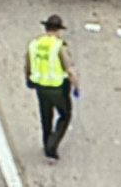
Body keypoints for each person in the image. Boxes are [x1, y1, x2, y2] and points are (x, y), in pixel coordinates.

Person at [25, 14, 80, 160]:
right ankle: (52, 145)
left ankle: (46, 141)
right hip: (57, 87)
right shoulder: (58, 45)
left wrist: (28, 79)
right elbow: (68, 68)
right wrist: (76, 85)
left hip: (40, 87)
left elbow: (28, 65)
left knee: (46, 115)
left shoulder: (35, 44)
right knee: (65, 114)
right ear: (58, 30)